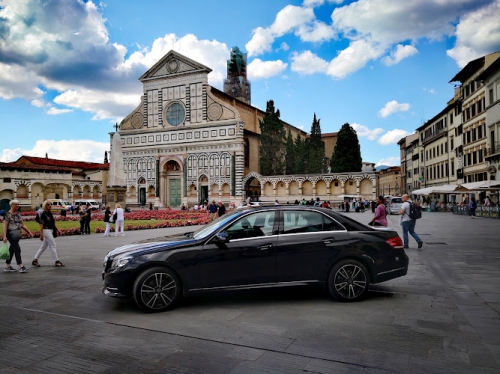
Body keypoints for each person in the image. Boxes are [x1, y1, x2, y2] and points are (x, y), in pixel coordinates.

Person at [2, 200, 32, 272]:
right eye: (16, 204)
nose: (17, 206)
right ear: (11, 205)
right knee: (17, 248)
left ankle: (7, 266)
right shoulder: (7, 215)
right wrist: (4, 236)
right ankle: (21, 266)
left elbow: (22, 225)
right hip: (10, 233)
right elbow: (5, 226)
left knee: (12, 249)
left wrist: (28, 232)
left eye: (18, 204)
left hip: (17, 233)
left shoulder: (18, 214)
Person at [32, 200, 64, 267]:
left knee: (43, 247)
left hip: (50, 230)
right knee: (53, 245)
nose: (50, 206)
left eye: (50, 204)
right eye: (48, 204)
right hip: (46, 230)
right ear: (45, 206)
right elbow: (41, 225)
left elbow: (52, 223)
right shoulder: (43, 213)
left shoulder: (50, 213)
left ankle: (35, 259)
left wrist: (57, 230)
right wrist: (41, 234)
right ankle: (56, 261)